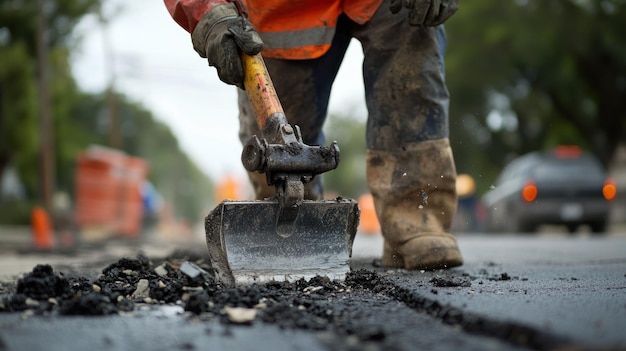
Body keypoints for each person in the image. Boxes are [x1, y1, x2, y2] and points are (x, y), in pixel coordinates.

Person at [164, 0, 463, 270]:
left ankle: (416, 220)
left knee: (412, 68)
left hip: (392, 6)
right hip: (278, 12)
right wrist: (209, 12)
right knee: (275, 148)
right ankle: (294, 226)